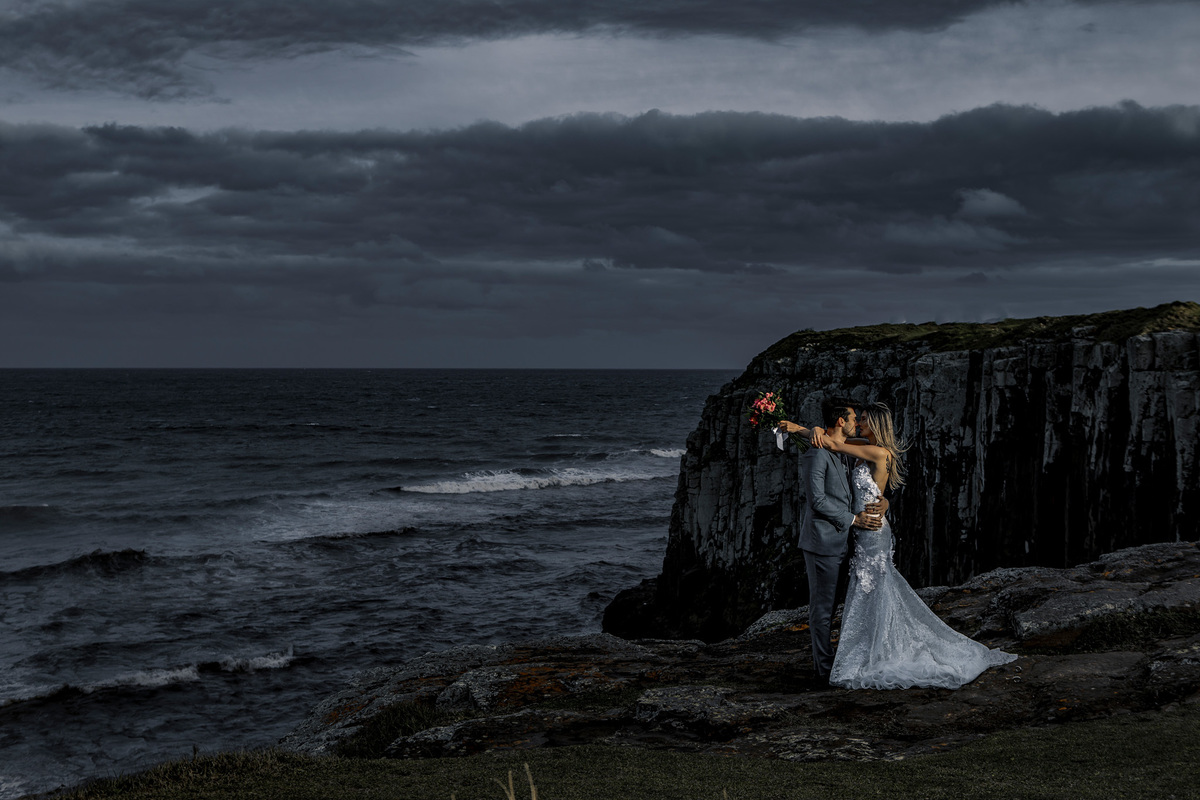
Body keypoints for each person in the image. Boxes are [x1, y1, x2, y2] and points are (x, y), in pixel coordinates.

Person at [783, 403, 1017, 689]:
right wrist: (810, 431)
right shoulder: (862, 445)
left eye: (864, 420)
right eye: (857, 419)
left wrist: (805, 429)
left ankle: (876, 653)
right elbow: (837, 443)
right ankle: (867, 651)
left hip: (869, 530)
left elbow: (835, 443)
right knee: (868, 590)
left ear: (876, 425)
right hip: (860, 528)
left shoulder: (878, 452)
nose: (858, 423)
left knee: (874, 588)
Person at [782, 397, 886, 686]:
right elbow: (816, 501)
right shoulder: (818, 454)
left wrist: (884, 501)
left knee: (839, 605)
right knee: (822, 608)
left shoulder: (846, 450)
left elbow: (868, 483)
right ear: (841, 421)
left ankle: (836, 663)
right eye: (854, 418)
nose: (857, 423)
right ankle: (823, 672)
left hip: (846, 542)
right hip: (823, 542)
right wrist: (854, 520)